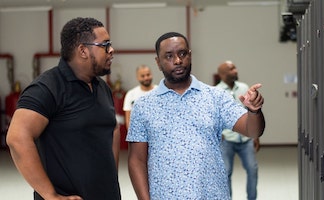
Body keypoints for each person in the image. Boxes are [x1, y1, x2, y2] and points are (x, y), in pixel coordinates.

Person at [126, 32, 266, 200]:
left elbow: (253, 130)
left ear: (190, 56)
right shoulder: (143, 106)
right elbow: (136, 160)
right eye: (169, 56)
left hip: (212, 195)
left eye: (182, 54)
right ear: (158, 62)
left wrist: (254, 111)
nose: (177, 60)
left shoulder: (216, 97)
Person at [6, 17, 121, 200]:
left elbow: (112, 128)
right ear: (83, 50)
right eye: (105, 45)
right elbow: (17, 139)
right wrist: (50, 195)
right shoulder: (47, 88)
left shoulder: (101, 87)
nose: (111, 50)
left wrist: (110, 177)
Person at [216, 60, 260, 200]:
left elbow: (250, 112)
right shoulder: (216, 91)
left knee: (252, 170)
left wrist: (255, 136)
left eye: (234, 67)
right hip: (227, 140)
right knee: (226, 173)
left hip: (245, 139)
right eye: (231, 69)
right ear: (222, 74)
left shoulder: (244, 87)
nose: (235, 70)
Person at [123, 64, 157, 129]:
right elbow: (128, 120)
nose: (146, 78)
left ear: (151, 74)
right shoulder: (131, 94)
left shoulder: (160, 92)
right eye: (142, 76)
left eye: (148, 75)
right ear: (137, 77)